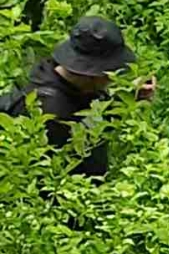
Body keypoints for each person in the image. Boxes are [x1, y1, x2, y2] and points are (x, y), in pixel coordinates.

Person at [0, 15, 155, 178]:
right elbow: (79, 167)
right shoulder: (50, 111)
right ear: (93, 74)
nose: (111, 78)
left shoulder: (53, 74)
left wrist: (124, 99)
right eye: (110, 72)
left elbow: (88, 116)